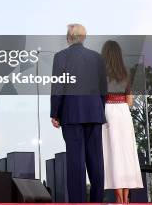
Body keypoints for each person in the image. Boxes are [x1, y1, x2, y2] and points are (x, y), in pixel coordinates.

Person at [51, 24, 107, 203]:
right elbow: (103, 89)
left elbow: (58, 87)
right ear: (84, 37)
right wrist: (99, 109)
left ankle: (78, 202)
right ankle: (97, 200)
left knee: (75, 162)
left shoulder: (60, 57)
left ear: (69, 37)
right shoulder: (97, 58)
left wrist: (55, 112)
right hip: (94, 112)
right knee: (96, 160)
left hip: (71, 114)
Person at [101, 40, 143, 203]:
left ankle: (119, 199)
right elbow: (130, 101)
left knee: (114, 154)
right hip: (124, 112)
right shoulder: (126, 72)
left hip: (108, 111)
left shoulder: (101, 73)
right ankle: (125, 198)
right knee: (126, 154)